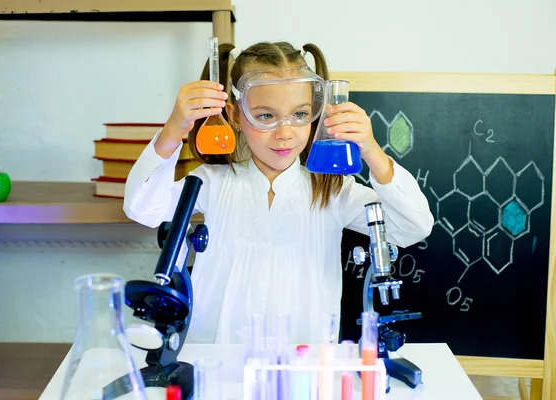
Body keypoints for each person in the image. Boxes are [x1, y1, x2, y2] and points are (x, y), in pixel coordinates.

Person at [123, 41, 433, 345]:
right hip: (217, 358)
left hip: (304, 365)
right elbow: (143, 208)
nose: (285, 132)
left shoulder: (331, 191)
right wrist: (174, 128)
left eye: (300, 115)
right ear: (234, 115)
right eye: (266, 116)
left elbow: (412, 228)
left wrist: (372, 150)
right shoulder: (214, 182)